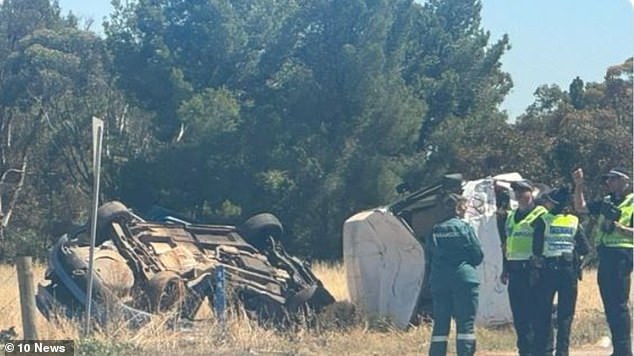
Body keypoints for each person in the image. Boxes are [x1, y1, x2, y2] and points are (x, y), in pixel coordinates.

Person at [573, 167, 633, 356]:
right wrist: (579, 185)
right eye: (608, 179)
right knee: (609, 304)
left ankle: (624, 350)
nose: (609, 183)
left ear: (625, 181)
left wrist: (620, 228)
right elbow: (580, 208)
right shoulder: (606, 202)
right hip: (605, 255)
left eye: (613, 179)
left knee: (619, 304)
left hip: (623, 254)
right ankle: (618, 348)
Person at [531, 187, 590, 356]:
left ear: (554, 203)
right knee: (565, 315)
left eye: (548, 200)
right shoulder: (574, 221)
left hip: (548, 271)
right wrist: (577, 263)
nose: (546, 203)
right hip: (569, 271)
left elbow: (536, 249)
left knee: (543, 311)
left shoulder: (544, 220)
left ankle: (544, 350)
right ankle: (563, 352)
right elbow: (586, 249)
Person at [427, 193, 483, 356]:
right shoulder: (464, 227)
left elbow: (429, 255)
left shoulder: (435, 230)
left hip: (440, 281)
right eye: (465, 206)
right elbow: (477, 255)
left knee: (440, 325)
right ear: (459, 208)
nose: (466, 209)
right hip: (464, 280)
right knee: (465, 324)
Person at [499, 180, 548, 356]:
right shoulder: (511, 216)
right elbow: (507, 244)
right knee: (519, 315)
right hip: (514, 271)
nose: (519, 194)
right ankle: (524, 351)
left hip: (532, 271)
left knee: (535, 314)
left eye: (523, 191)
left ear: (532, 192)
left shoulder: (540, 214)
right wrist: (504, 268)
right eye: (516, 191)